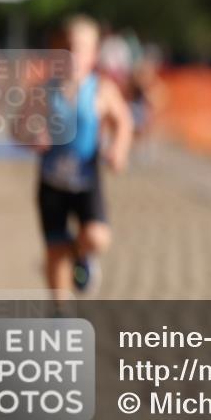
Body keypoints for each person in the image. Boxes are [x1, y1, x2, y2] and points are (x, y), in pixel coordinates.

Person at [34, 15, 133, 295]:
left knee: (97, 238)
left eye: (78, 48)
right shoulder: (44, 91)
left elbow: (123, 121)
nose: (71, 55)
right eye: (64, 47)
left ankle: (79, 255)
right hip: (51, 184)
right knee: (54, 251)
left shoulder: (102, 89)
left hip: (87, 181)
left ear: (93, 54)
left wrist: (118, 148)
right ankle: (60, 315)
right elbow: (19, 125)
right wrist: (31, 135)